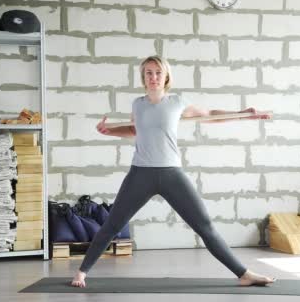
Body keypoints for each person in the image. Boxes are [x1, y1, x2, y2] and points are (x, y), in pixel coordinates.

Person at [71, 55, 275, 288]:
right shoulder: (137, 104)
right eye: (148, 72)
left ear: (166, 76)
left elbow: (209, 115)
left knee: (204, 226)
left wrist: (245, 112)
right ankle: (81, 273)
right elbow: (135, 131)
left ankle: (244, 274)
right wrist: (109, 132)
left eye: (158, 72)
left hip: (171, 174)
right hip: (140, 174)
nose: (153, 77)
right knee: (112, 225)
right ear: (143, 77)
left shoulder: (177, 102)